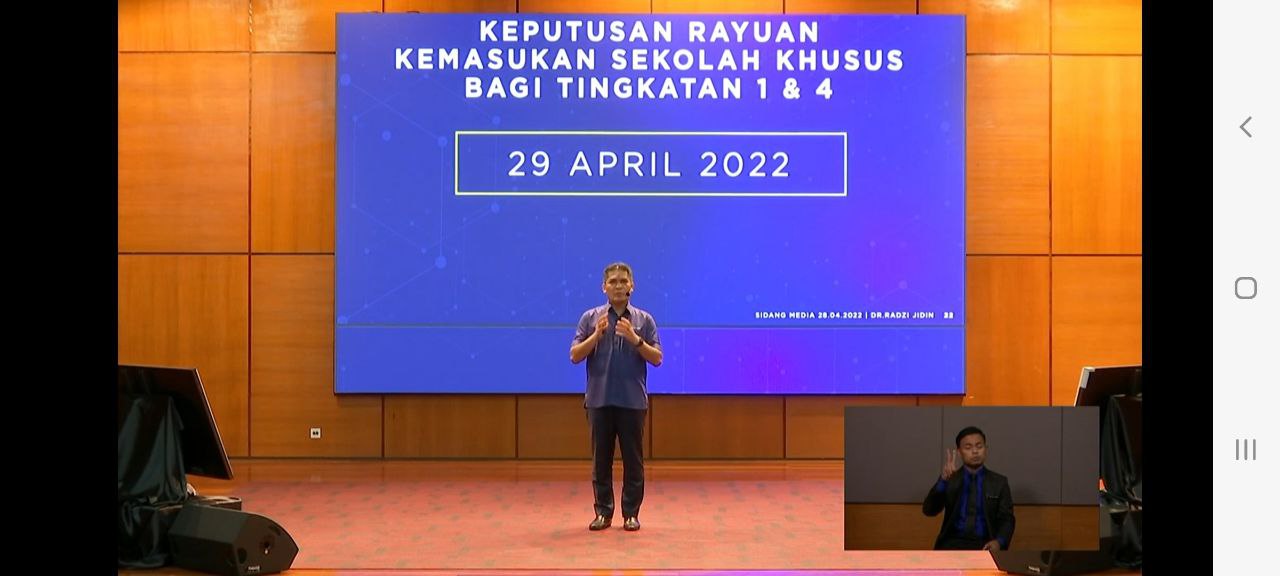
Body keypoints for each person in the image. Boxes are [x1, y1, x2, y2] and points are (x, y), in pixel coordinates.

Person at [570, 262, 662, 532]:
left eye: (623, 281)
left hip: (632, 401)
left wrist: (635, 339)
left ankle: (631, 514)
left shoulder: (644, 320)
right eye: (613, 282)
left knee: (634, 461)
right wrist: (595, 336)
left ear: (632, 286)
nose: (619, 286)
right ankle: (603, 513)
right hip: (599, 400)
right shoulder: (590, 318)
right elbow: (574, 355)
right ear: (604, 287)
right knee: (601, 461)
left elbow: (657, 358)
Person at [923, 426, 1015, 550]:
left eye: (979, 446)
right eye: (968, 447)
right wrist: (943, 481)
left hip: (985, 545)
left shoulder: (999, 482)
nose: (975, 451)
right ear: (959, 452)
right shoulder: (950, 479)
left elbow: (1007, 519)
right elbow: (929, 510)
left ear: (986, 449)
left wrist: (999, 542)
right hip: (951, 545)